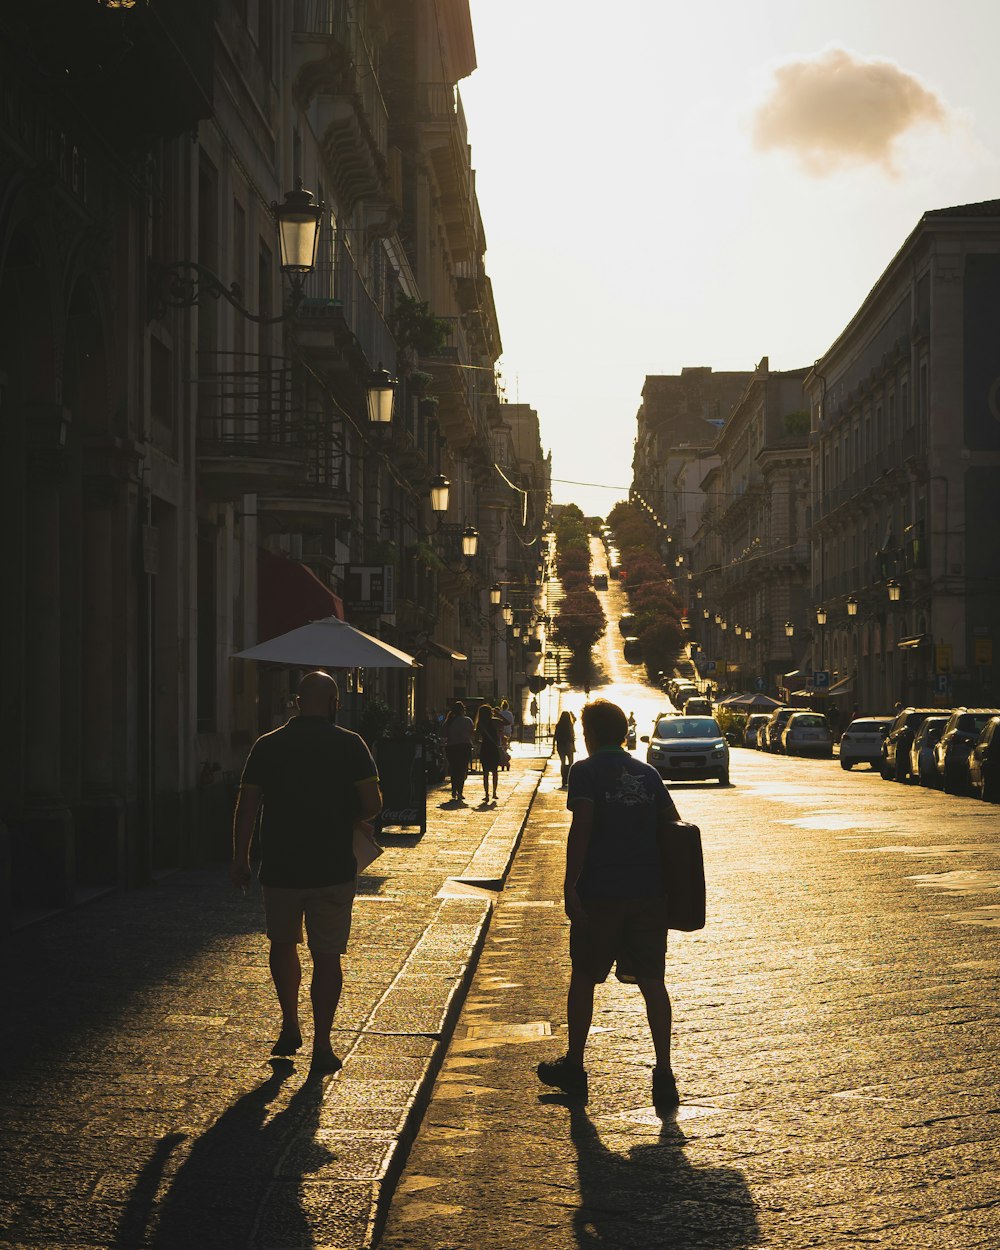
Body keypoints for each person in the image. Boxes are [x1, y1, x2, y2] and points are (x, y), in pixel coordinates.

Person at [537, 698, 684, 1111]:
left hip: (601, 893)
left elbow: (582, 826)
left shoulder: (585, 771)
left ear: (591, 734)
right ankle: (664, 1073)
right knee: (653, 981)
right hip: (648, 894)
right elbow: (674, 827)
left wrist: (570, 886)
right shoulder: (649, 773)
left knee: (584, 977)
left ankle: (576, 1067)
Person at [231, 671, 382, 1073]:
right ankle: (323, 1045)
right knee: (327, 956)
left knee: (282, 944)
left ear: (296, 702)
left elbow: (247, 806)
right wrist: (346, 811)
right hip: (332, 867)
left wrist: (241, 858)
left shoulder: (268, 746)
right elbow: (372, 804)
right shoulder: (351, 745)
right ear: (335, 703)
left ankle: (289, 1024)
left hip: (281, 866)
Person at [443, 700, 475, 802]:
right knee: (462, 769)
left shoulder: (449, 721)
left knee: (454, 769)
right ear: (462, 710)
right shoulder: (468, 720)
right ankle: (460, 791)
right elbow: (472, 734)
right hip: (464, 747)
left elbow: (444, 734)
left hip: (451, 747)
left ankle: (454, 790)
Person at [476, 703, 503, 802]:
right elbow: (507, 722)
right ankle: (494, 793)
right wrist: (498, 714)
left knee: (485, 773)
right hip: (494, 748)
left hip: (485, 748)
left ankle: (486, 794)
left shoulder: (480, 724)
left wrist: (483, 741)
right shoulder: (495, 721)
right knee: (495, 772)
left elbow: (476, 739)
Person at [553, 709, 576, 787]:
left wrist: (553, 747)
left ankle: (564, 779)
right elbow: (572, 737)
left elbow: (555, 736)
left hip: (561, 746)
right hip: (569, 746)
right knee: (571, 763)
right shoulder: (570, 725)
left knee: (562, 763)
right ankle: (570, 778)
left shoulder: (558, 725)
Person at [497, 698, 515, 768]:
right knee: (506, 746)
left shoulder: (500, 713)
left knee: (501, 745)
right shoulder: (510, 713)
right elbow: (512, 723)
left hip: (501, 731)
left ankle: (503, 758)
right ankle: (505, 758)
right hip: (508, 731)